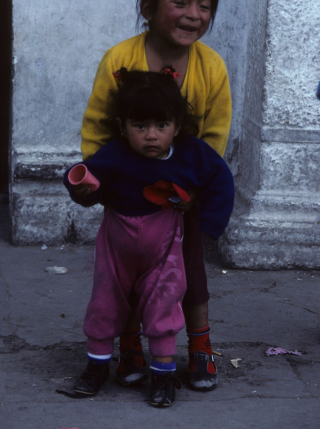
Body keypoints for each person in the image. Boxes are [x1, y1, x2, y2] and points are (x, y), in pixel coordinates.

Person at [80, 0, 232, 391]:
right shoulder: (118, 60)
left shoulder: (212, 68)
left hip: (181, 194)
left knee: (190, 273)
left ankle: (200, 347)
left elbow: (214, 139)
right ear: (148, 8)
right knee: (123, 274)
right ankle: (130, 345)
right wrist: (97, 183)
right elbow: (96, 127)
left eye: (205, 5)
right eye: (181, 1)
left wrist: (194, 192)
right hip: (127, 198)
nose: (194, 14)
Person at [63, 68, 234, 407]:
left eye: (162, 125)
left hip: (164, 246)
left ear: (177, 125)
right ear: (122, 126)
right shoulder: (115, 154)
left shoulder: (191, 154)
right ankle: (97, 367)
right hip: (116, 244)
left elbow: (221, 182)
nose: (151, 136)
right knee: (105, 303)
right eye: (140, 126)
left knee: (163, 304)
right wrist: (79, 184)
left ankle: (162, 375)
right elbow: (85, 177)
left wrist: (208, 228)